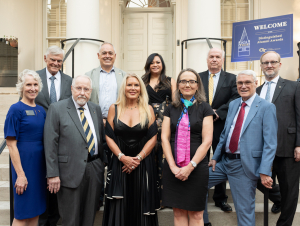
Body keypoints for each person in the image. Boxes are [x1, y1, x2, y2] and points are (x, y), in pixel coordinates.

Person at [204, 70, 278, 226]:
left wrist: (265, 171)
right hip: (224, 162)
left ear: (255, 83)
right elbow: (224, 135)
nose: (243, 86)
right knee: (197, 182)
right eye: (240, 83)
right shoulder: (233, 104)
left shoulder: (266, 107)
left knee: (244, 214)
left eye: (247, 82)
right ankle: (202, 222)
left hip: (244, 166)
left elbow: (270, 143)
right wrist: (215, 157)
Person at [43, 75, 105, 226]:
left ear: (91, 91)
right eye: (78, 88)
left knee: (89, 218)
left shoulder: (95, 109)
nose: (82, 92)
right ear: (71, 89)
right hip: (68, 172)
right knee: (70, 220)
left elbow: (101, 139)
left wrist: (102, 165)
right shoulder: (57, 108)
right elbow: (50, 143)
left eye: (86, 89)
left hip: (94, 170)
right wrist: (52, 174)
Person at [102, 73, 160, 226]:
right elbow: (109, 136)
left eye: (136, 85)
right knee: (119, 206)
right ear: (124, 88)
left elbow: (153, 137)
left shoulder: (148, 109)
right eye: (129, 85)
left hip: (142, 164)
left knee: (140, 203)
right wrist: (122, 157)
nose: (133, 88)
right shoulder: (113, 108)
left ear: (141, 89)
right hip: (119, 164)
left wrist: (138, 158)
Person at [161, 68, 214, 226]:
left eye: (191, 81)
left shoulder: (205, 108)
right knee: (178, 212)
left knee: (197, 215)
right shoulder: (170, 108)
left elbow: (207, 141)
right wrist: (172, 166)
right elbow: (164, 137)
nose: (187, 84)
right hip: (173, 168)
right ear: (178, 85)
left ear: (197, 85)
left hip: (197, 168)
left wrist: (190, 167)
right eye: (183, 81)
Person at [256, 51, 300, 226]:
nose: (269, 65)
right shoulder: (257, 91)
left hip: (288, 147)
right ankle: (280, 200)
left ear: (279, 64)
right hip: (263, 149)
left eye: (273, 62)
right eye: (265, 62)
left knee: (290, 189)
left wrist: (299, 144)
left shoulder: (294, 86)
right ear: (261, 66)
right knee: (258, 181)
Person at [199, 48, 239, 219]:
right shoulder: (198, 77)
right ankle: (200, 193)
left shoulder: (231, 78)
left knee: (220, 159)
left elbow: (235, 98)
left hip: (221, 124)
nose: (214, 59)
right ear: (207, 59)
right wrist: (205, 112)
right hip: (200, 124)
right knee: (200, 158)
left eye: (217, 57)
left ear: (222, 60)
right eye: (211, 57)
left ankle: (220, 198)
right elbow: (192, 96)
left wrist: (218, 112)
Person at [4, 69, 47, 226]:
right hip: (23, 166)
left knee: (35, 212)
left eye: (35, 84)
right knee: (22, 215)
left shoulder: (41, 111)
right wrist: (21, 175)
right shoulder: (15, 110)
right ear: (21, 86)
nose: (33, 88)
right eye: (28, 84)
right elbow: (10, 144)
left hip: (39, 167)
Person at [36, 45, 72, 226]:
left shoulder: (69, 81)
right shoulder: (35, 78)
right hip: (37, 136)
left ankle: (55, 219)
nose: (56, 63)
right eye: (53, 60)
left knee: (58, 183)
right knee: (41, 181)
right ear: (45, 59)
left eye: (59, 61)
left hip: (62, 138)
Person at [142, 53, 176, 206]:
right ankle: (150, 197)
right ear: (148, 65)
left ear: (162, 64)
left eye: (158, 62)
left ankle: (164, 198)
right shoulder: (142, 82)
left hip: (166, 122)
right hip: (147, 122)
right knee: (150, 160)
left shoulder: (170, 81)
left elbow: (176, 103)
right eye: (152, 62)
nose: (155, 65)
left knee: (164, 160)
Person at [85, 41, 126, 125]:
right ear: (98, 55)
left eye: (110, 53)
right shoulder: (89, 75)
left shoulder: (124, 76)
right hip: (95, 121)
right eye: (104, 53)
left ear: (115, 56)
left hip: (119, 122)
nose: (107, 56)